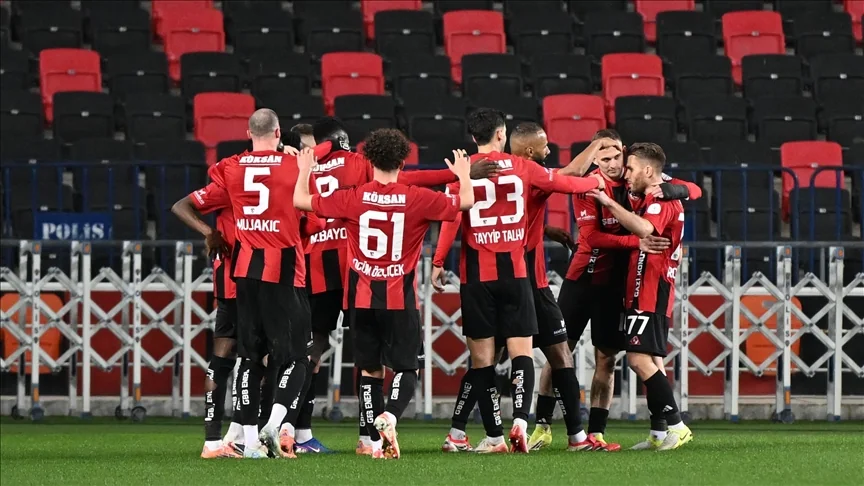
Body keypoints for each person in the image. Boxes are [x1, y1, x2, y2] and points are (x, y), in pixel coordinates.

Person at [300, 117, 499, 455]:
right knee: (407, 368)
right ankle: (389, 416)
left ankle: (369, 441)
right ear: (403, 161)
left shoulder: (352, 197)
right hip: (399, 298)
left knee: (369, 370)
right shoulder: (418, 198)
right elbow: (464, 204)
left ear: (369, 160)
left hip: (360, 298)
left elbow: (302, 201)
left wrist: (305, 170)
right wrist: (463, 175)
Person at [431, 108, 604, 454]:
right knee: (524, 352)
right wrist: (596, 182)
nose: (549, 150)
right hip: (519, 274)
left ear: (474, 137)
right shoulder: (524, 169)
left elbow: (451, 216)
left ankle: (492, 436)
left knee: (483, 360)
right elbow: (566, 181)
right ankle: (523, 422)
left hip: (477, 276)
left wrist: (437, 261)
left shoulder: (464, 173)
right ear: (501, 135)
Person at [530, 131, 702, 450]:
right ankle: (541, 425)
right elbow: (593, 237)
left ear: (624, 153)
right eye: (604, 158)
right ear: (595, 158)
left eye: (616, 157)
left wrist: (676, 189)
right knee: (558, 353)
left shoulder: (635, 179)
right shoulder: (588, 185)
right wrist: (636, 242)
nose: (612, 164)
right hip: (581, 280)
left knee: (607, 359)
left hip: (615, 285)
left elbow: (694, 189)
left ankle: (597, 433)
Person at [212, 108, 323, 459]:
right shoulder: (294, 166)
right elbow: (316, 221)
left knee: (248, 358)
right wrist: (299, 165)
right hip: (285, 271)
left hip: (245, 270)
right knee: (297, 357)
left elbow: (215, 173)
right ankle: (274, 425)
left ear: (249, 134)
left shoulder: (231, 166)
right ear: (278, 133)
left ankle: (248, 441)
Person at [588, 142, 694, 451]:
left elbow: (646, 229)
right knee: (653, 360)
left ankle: (677, 425)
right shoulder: (653, 196)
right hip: (643, 285)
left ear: (648, 170)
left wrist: (608, 202)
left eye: (631, 168)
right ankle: (659, 432)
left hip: (650, 286)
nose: (626, 173)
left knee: (637, 359)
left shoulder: (661, 201)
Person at [172, 161, 243, 459]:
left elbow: (180, 205)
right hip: (251, 282)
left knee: (223, 357)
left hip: (232, 283)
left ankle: (216, 440)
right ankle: (242, 436)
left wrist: (208, 231)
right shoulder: (234, 184)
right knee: (258, 359)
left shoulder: (234, 180)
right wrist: (208, 231)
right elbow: (181, 205)